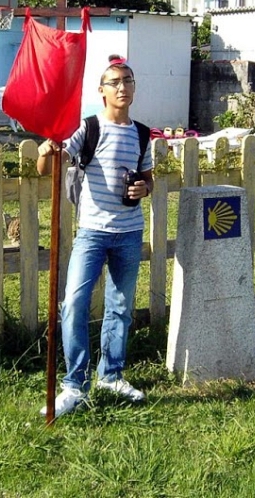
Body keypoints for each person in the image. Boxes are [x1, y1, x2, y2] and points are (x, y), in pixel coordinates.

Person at [37, 55, 154, 418]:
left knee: (120, 307)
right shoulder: (88, 129)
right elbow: (49, 168)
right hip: (92, 233)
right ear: (101, 90)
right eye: (115, 82)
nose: (122, 87)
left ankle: (112, 376)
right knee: (73, 304)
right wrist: (45, 152)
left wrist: (143, 189)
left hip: (129, 232)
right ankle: (75, 384)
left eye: (128, 80)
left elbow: (148, 177)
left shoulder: (143, 133)